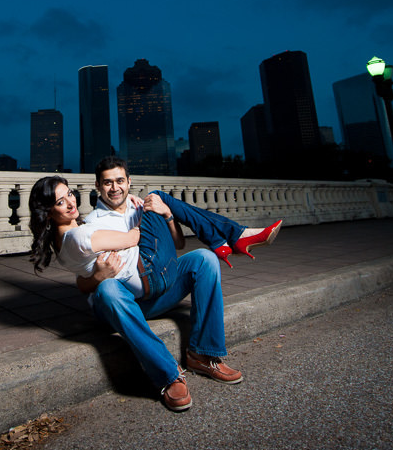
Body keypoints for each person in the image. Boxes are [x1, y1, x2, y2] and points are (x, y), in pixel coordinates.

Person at [28, 155, 282, 411]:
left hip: (158, 282)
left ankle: (203, 355)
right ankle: (167, 375)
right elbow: (85, 282)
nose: (115, 188)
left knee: (204, 259)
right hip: (127, 301)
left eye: (119, 181)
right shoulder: (92, 223)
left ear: (129, 182)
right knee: (107, 288)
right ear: (97, 187)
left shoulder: (136, 207)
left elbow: (178, 246)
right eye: (107, 183)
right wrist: (102, 272)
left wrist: (167, 215)